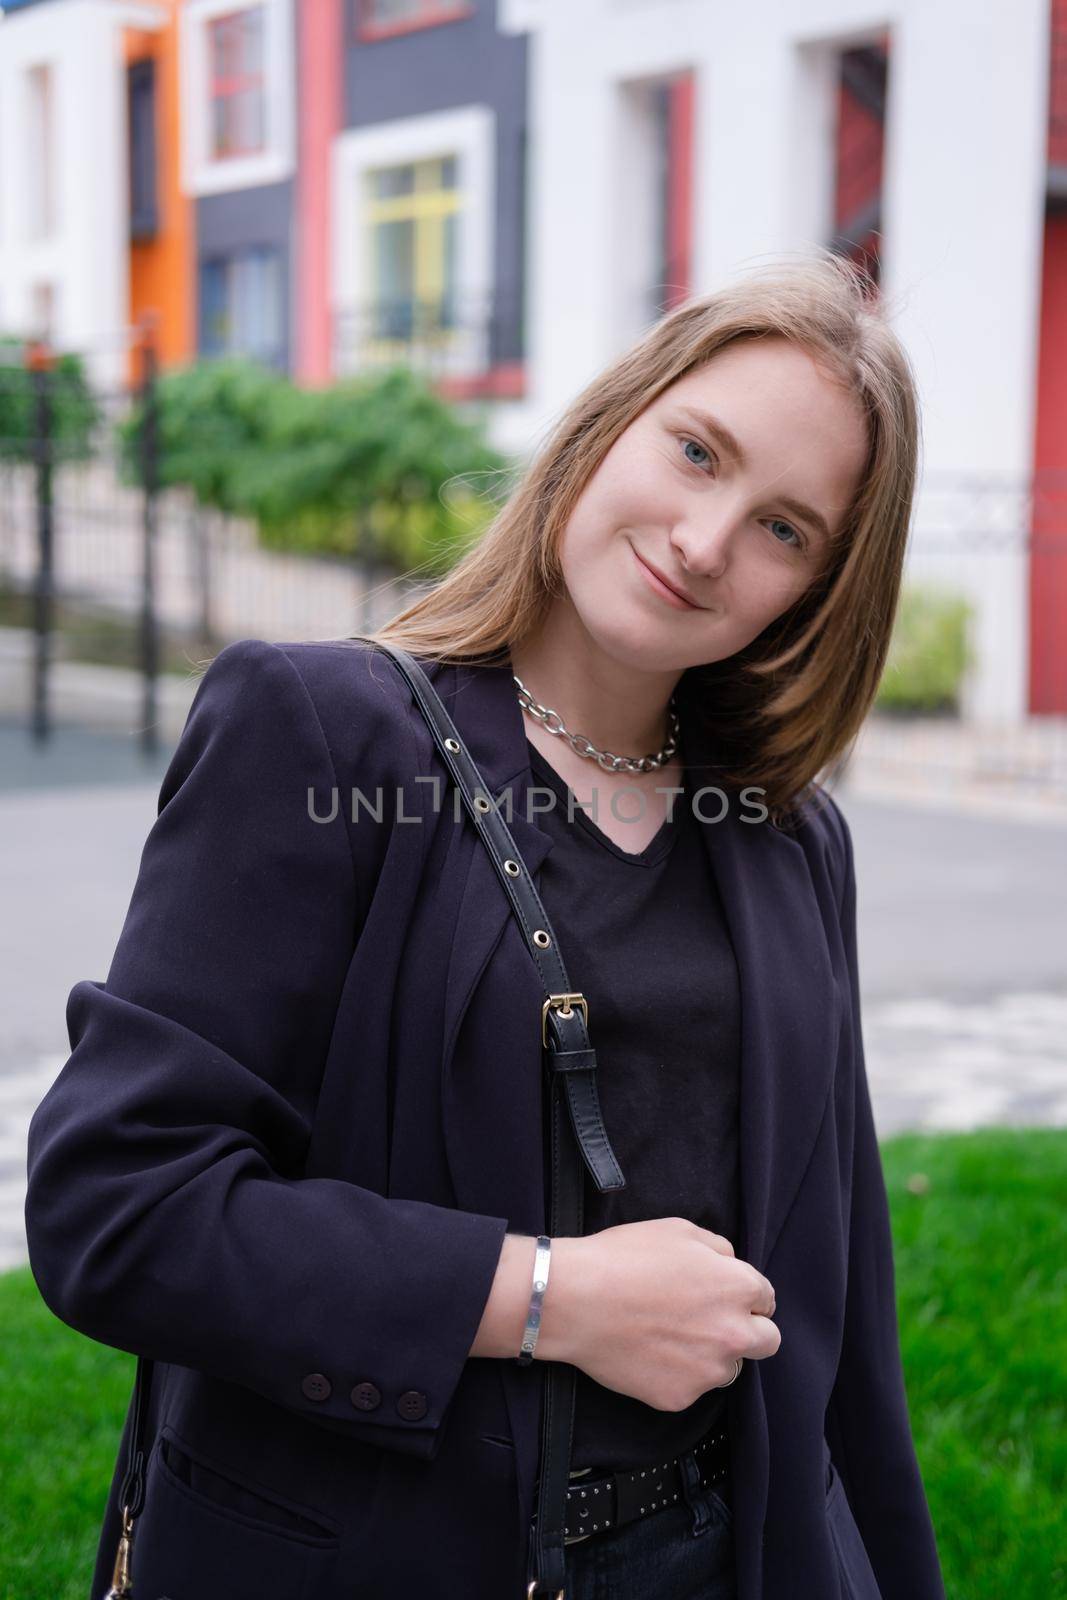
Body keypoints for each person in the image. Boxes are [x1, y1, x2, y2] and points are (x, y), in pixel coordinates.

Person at [24, 250, 945, 1600]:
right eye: (697, 453)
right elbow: (119, 1206)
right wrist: (549, 1298)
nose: (706, 541)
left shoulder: (791, 840)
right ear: (607, 424)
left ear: (820, 590)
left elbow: (841, 1314)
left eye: (785, 528)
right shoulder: (322, 729)